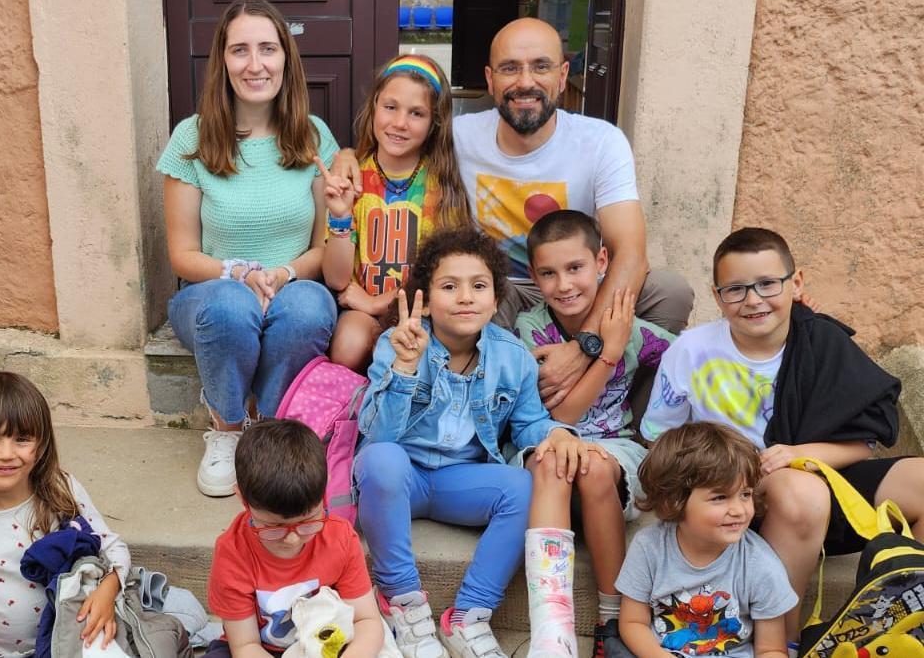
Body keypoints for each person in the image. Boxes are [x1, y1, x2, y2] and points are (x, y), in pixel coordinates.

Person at [336, 18, 692, 415]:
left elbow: (630, 253)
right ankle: (514, 422)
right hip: (501, 288)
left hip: (575, 280)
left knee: (670, 292)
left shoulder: (600, 142)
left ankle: (638, 421)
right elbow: (394, 138)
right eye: (510, 68)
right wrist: (345, 157)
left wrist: (584, 347)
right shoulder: (459, 135)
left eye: (540, 66)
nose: (525, 81)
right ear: (490, 80)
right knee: (473, 319)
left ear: (561, 76)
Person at [640, 227, 924, 651]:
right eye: (735, 289)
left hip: (817, 471)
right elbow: (660, 441)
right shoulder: (692, 350)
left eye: (767, 284)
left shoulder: (821, 342)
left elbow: (864, 440)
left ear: (797, 283)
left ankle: (896, 612)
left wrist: (799, 453)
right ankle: (781, 641)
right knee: (800, 490)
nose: (753, 299)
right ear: (717, 297)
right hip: (736, 486)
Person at [355, 227, 581, 658]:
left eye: (478, 286)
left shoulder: (512, 356)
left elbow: (529, 423)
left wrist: (556, 433)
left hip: (459, 481)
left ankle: (469, 615)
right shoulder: (398, 342)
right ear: (424, 295)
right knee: (381, 459)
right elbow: (378, 436)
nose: (465, 297)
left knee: (521, 487)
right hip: (400, 479)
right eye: (449, 286)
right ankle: (404, 603)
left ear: (496, 298)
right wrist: (405, 368)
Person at [158, 0, 340, 497]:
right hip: (211, 293)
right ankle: (227, 428)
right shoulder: (191, 138)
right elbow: (182, 255)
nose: (255, 64)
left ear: (286, 58)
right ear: (223, 61)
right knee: (229, 306)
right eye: (240, 50)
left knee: (309, 307)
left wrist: (280, 275)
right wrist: (241, 275)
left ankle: (271, 428)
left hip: (290, 284)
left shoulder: (311, 137)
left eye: (267, 49)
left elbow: (325, 245)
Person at [514, 211, 674, 657]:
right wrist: (610, 351)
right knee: (555, 458)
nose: (564, 285)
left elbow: (687, 362)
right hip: (548, 437)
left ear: (602, 261)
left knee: (596, 467)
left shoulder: (634, 329)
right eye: (548, 273)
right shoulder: (532, 330)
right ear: (533, 276)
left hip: (613, 451)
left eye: (575, 268)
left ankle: (612, 618)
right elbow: (562, 413)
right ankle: (554, 631)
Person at [0, 371, 132, 658]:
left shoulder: (60, 491)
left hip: (65, 646)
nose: (7, 453)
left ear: (41, 445)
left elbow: (112, 547)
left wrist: (108, 590)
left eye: (22, 439)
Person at [318, 54, 470, 371]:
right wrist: (342, 216)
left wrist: (377, 301)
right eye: (390, 107)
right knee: (348, 345)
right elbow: (336, 278)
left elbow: (446, 276)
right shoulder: (353, 177)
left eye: (416, 113)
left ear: (434, 124)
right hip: (360, 311)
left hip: (423, 310)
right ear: (374, 106)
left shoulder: (443, 185)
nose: (399, 123)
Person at [616, 422, 797, 658]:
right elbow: (632, 623)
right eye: (720, 497)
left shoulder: (760, 565)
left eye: (745, 494)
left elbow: (771, 649)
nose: (739, 510)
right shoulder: (649, 547)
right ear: (675, 500)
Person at [205, 419, 382, 658]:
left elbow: (367, 620)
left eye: (308, 522)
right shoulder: (233, 552)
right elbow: (245, 646)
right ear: (243, 499)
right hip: (260, 649)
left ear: (324, 491)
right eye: (273, 527)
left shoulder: (339, 538)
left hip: (330, 644)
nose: (292, 540)